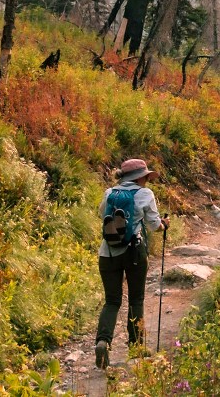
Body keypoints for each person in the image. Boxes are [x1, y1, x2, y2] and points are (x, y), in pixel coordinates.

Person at [95, 158, 168, 369]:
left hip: (107, 252)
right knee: (136, 299)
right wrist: (164, 225)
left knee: (112, 300)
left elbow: (103, 215)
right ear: (140, 177)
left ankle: (103, 342)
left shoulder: (110, 193)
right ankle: (136, 347)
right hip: (133, 251)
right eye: (146, 177)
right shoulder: (145, 194)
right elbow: (154, 225)